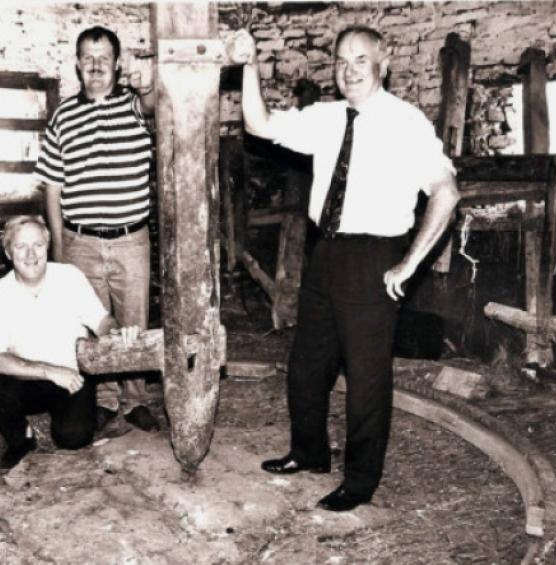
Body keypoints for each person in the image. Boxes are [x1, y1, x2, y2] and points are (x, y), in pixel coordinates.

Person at [229, 25, 460, 511]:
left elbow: (446, 193)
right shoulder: (326, 117)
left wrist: (408, 265)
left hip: (375, 257)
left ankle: (360, 481)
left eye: (360, 60)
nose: (348, 71)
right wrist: (248, 65)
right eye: (340, 61)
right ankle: (309, 452)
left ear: (384, 63)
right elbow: (258, 125)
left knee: (366, 381)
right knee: (305, 368)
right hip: (326, 252)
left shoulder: (407, 122)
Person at [34, 26, 159, 433]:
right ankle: (104, 400)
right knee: (92, 323)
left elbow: (158, 105)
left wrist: (147, 86)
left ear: (118, 63)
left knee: (133, 321)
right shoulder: (63, 116)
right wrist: (59, 251)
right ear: (77, 64)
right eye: (87, 58)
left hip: (130, 238)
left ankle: (136, 398)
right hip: (81, 240)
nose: (96, 66)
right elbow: (52, 189)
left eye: (104, 57)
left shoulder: (135, 106)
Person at [0, 215, 140, 470]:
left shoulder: (70, 277)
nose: (31, 254)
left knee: (73, 437)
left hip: (72, 379)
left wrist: (116, 331)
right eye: (21, 246)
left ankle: (84, 413)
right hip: (26, 381)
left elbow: (102, 321)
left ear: (47, 247)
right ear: (8, 253)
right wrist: (49, 371)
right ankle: (22, 438)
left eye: (37, 245)